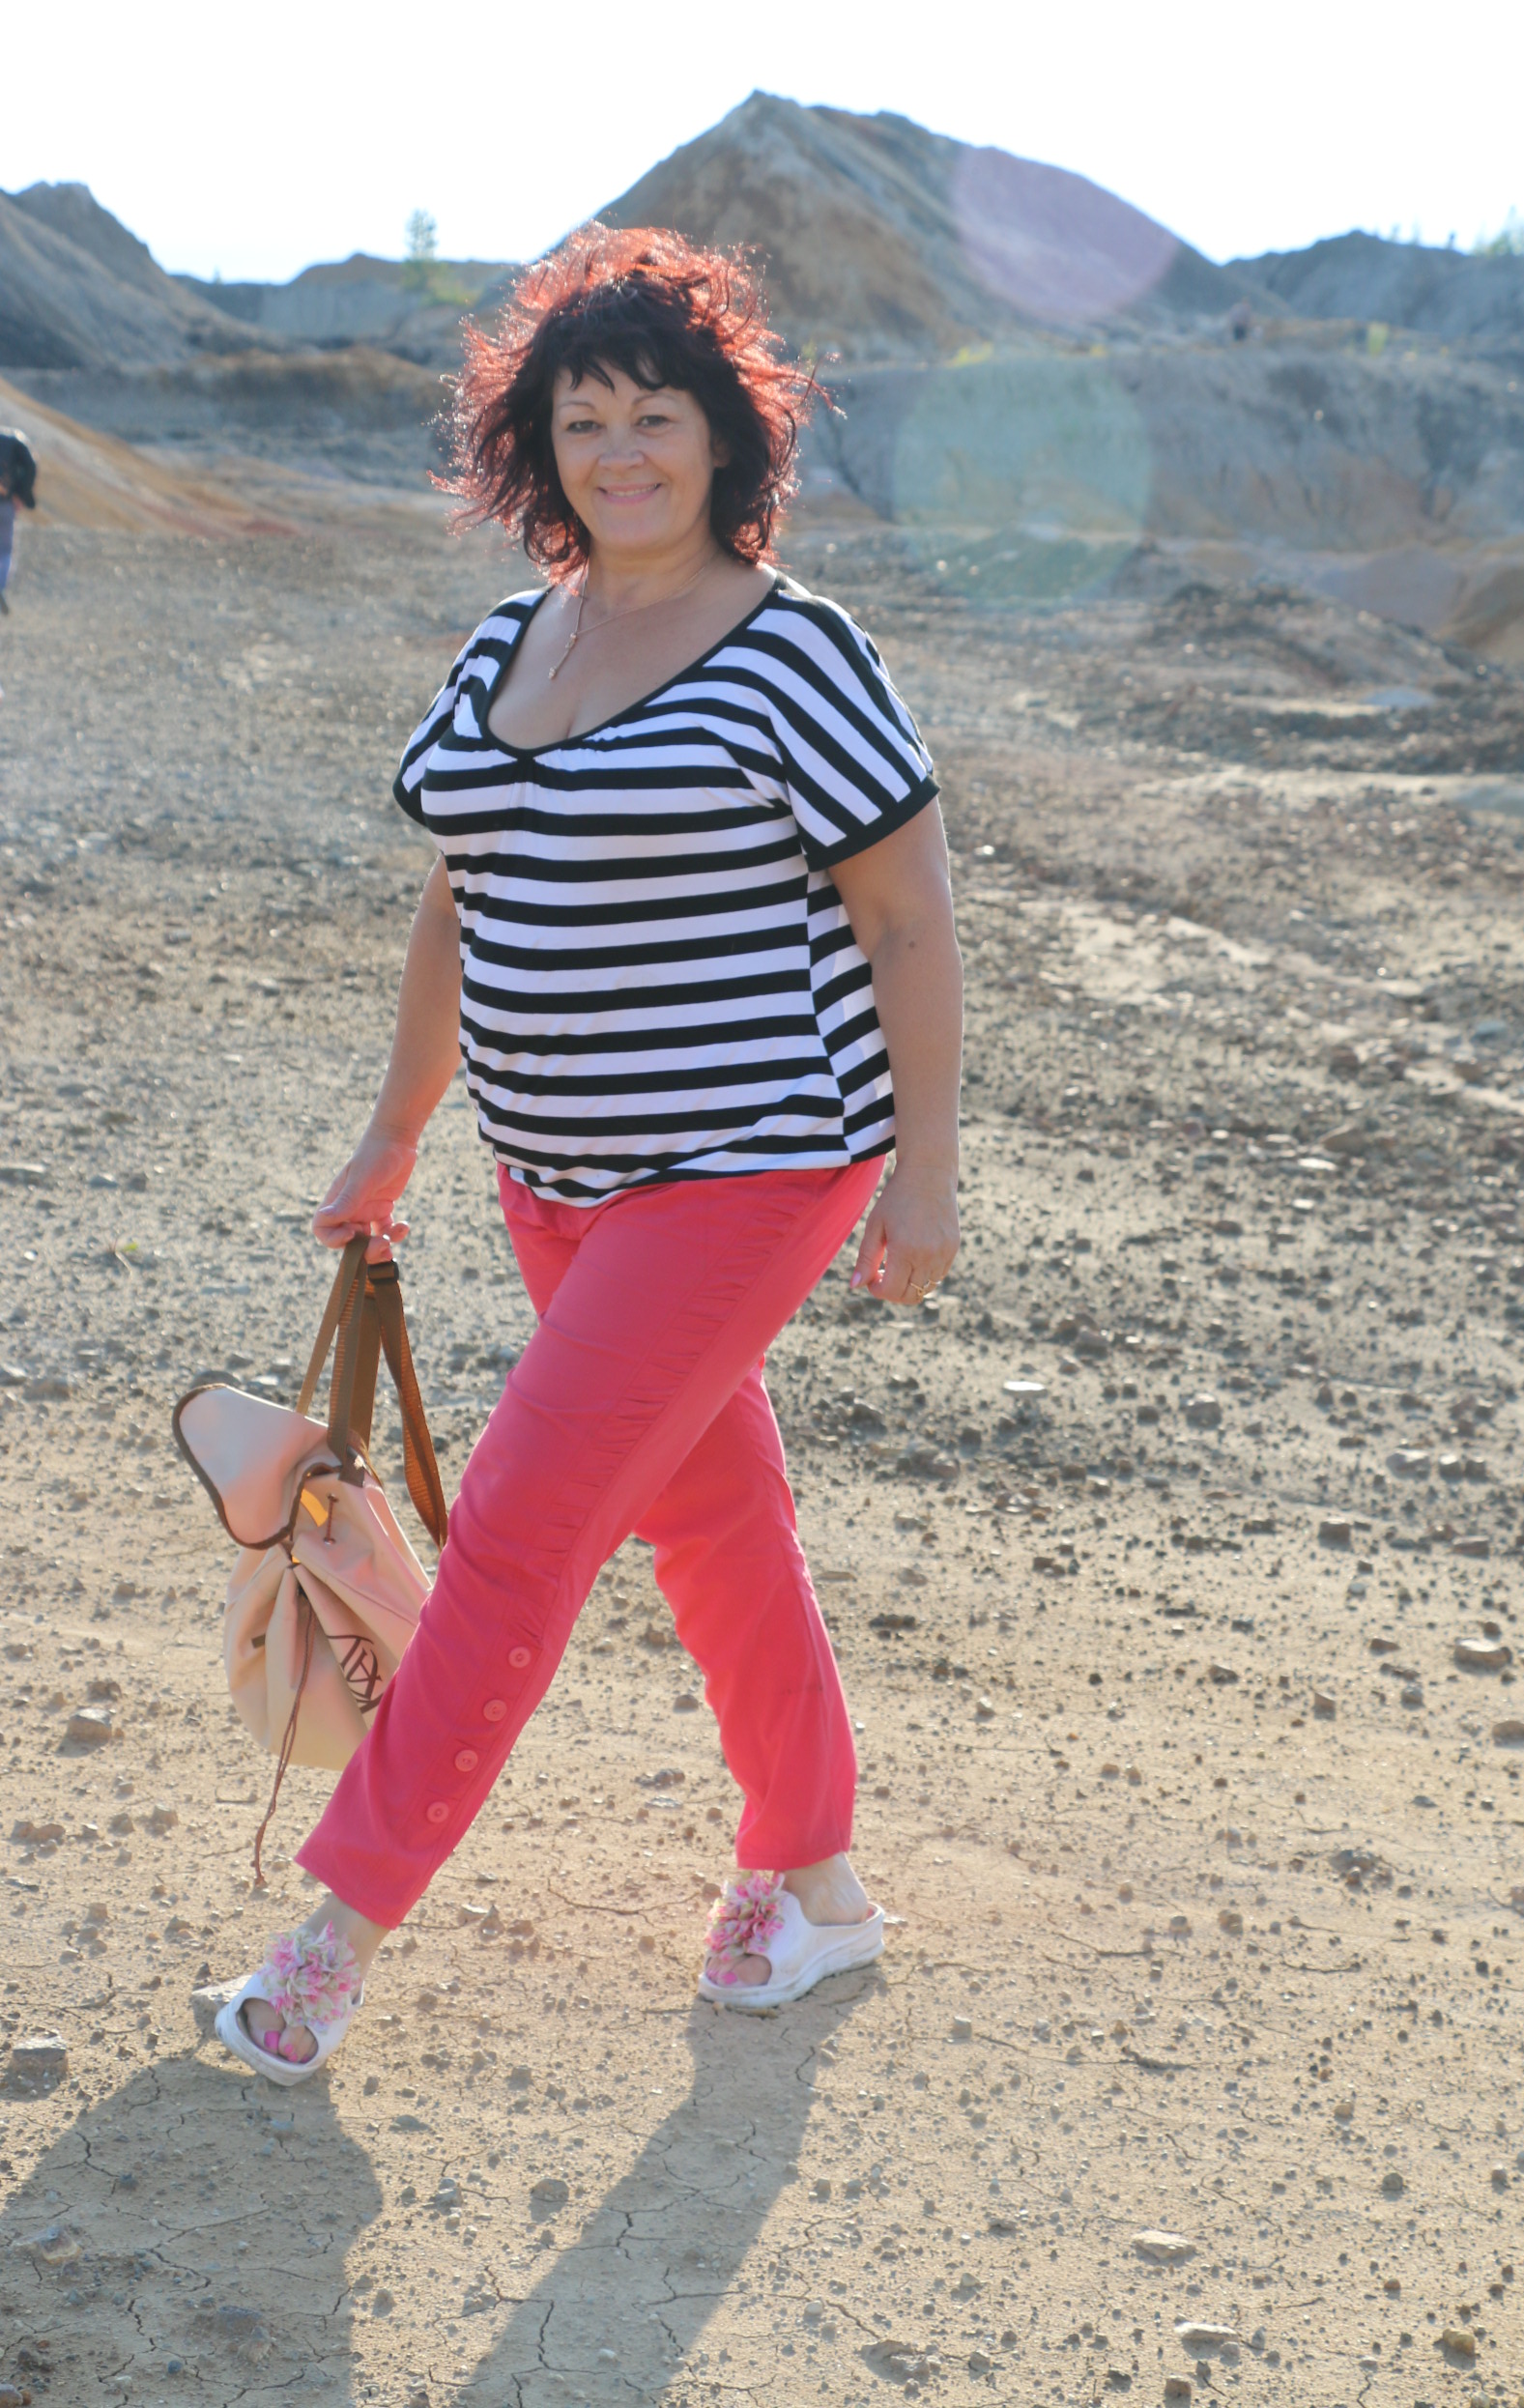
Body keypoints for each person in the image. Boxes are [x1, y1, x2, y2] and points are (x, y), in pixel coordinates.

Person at [214, 227, 963, 2083]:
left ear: (722, 436)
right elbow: (454, 901)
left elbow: (907, 920)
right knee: (711, 1523)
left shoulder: (794, 652)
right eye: (582, 419)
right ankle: (816, 1877)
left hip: (750, 1161)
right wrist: (396, 1130)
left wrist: (926, 1174)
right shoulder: (506, 642)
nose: (619, 451)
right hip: (549, 1173)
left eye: (654, 416)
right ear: (532, 446)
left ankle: (332, 1937)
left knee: (520, 1529)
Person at [0, 430, 36, 615]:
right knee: (5, 550)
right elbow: (31, 466)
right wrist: (21, 495)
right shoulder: (15, 442)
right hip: (6, 504)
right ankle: (0, 586)